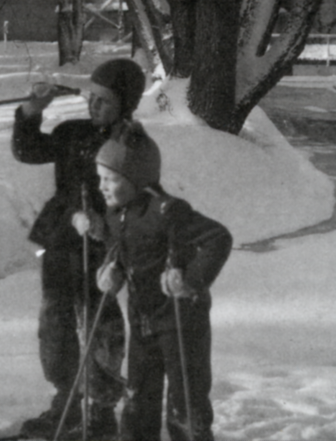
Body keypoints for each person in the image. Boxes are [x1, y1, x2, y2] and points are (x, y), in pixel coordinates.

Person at [12, 58, 147, 440]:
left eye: (105, 100)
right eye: (92, 97)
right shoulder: (72, 132)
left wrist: (106, 223)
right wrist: (32, 111)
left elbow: (138, 200)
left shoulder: (132, 145)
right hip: (60, 241)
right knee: (55, 325)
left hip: (101, 250)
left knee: (99, 329)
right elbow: (27, 150)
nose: (94, 105)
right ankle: (67, 404)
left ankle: (100, 412)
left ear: (126, 104)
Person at [73, 122, 232, 441]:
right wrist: (113, 270)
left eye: (111, 179)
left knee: (185, 400)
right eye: (100, 178)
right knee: (139, 397)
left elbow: (218, 238)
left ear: (136, 178)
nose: (102, 187)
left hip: (181, 320)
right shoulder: (118, 213)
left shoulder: (167, 211)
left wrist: (190, 280)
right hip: (143, 319)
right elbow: (122, 249)